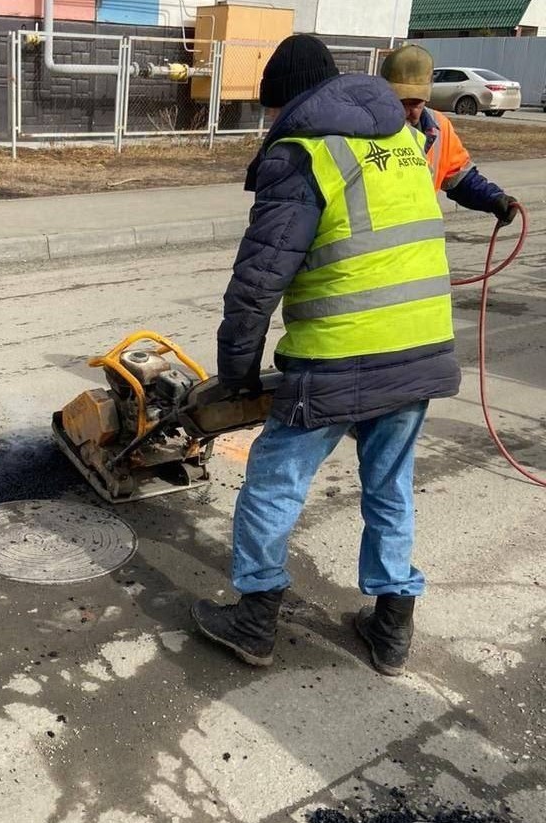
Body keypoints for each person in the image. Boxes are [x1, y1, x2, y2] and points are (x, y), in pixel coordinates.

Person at [191, 34, 461, 677]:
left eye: (268, 109)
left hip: (338, 360)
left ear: (287, 98)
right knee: (391, 488)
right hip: (420, 349)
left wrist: (233, 376)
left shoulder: (305, 154)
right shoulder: (401, 142)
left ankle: (255, 617)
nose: (267, 123)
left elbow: (257, 284)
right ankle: (391, 628)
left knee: (273, 483)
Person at [381, 44, 517, 224]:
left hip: (419, 241)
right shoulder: (361, 129)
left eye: (414, 103)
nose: (405, 111)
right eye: (399, 101)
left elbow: (460, 179)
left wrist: (493, 198)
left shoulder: (438, 128)